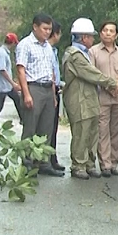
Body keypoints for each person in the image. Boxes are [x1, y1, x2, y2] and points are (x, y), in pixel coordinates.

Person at [61, 18, 118, 180]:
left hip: (90, 98)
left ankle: (89, 163)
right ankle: (78, 165)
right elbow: (91, 73)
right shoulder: (74, 55)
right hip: (79, 99)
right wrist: (111, 83)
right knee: (81, 132)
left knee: (92, 133)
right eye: (90, 36)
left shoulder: (84, 53)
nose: (93, 39)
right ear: (83, 37)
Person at [15, 12, 64, 177]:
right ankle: (26, 162)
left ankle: (43, 162)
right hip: (33, 87)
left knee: (46, 127)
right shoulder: (25, 44)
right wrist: (26, 94)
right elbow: (21, 70)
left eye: (50, 29)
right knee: (31, 126)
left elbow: (50, 71)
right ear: (35, 27)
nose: (47, 32)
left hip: (47, 89)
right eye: (44, 28)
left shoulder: (48, 47)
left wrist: (53, 95)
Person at [89, 20, 118, 177]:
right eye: (105, 30)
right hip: (102, 96)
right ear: (100, 33)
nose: (108, 33)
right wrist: (109, 86)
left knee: (116, 131)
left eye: (111, 31)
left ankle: (114, 163)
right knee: (102, 131)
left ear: (116, 35)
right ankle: (105, 165)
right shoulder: (93, 51)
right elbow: (92, 73)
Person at [0, 33, 23, 124]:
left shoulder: (0, 51)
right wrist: (13, 83)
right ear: (12, 42)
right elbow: (2, 70)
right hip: (3, 86)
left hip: (5, 85)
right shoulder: (3, 54)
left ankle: (23, 119)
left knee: (17, 99)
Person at [48, 21, 65, 171]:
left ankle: (52, 158)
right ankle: (46, 159)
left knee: (53, 128)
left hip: (56, 89)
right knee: (48, 127)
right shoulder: (47, 50)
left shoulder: (53, 51)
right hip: (49, 90)